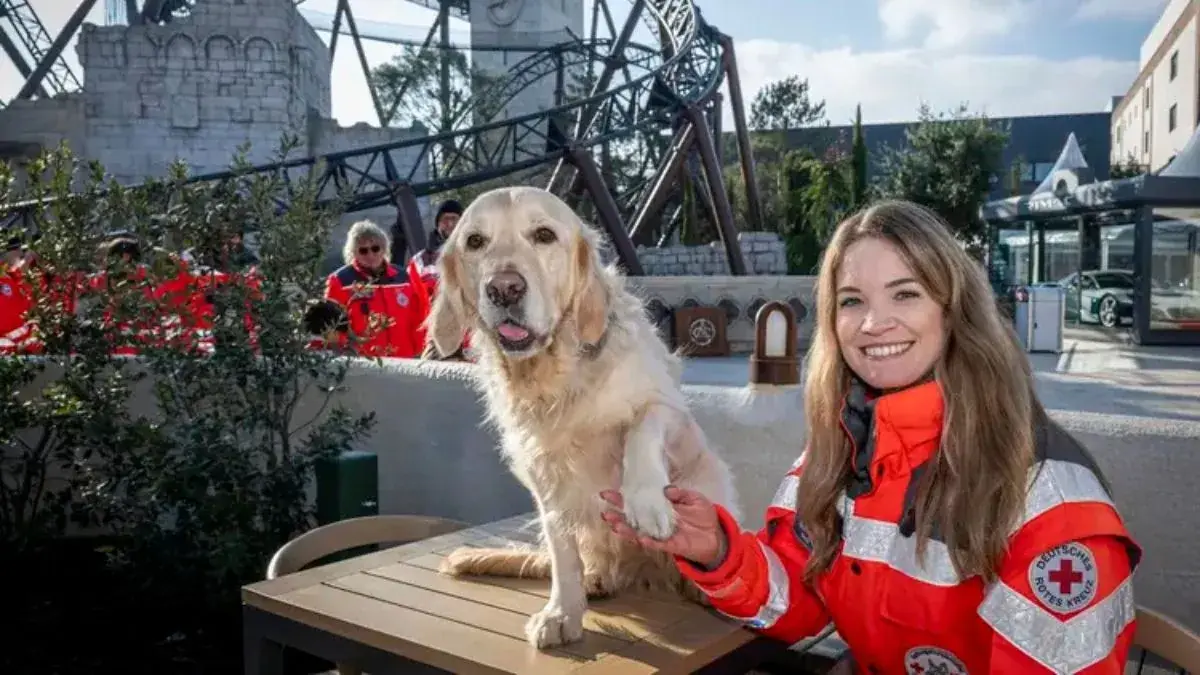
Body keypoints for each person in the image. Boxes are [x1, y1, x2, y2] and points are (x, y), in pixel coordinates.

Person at [600, 200, 1140, 674]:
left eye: (905, 294)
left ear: (955, 312)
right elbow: (799, 600)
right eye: (852, 300)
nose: (873, 323)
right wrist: (718, 551)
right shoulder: (840, 448)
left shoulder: (1052, 503)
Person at [324, 220, 423, 358]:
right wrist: (345, 355)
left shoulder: (403, 278)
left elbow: (417, 317)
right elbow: (331, 326)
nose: (370, 255)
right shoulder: (340, 281)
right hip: (365, 365)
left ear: (384, 248)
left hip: (404, 361)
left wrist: (419, 350)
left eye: (375, 248)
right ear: (354, 253)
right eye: (363, 250)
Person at [409, 198, 463, 280]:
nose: (450, 224)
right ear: (438, 224)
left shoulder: (476, 252)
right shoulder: (420, 260)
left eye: (454, 219)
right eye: (445, 219)